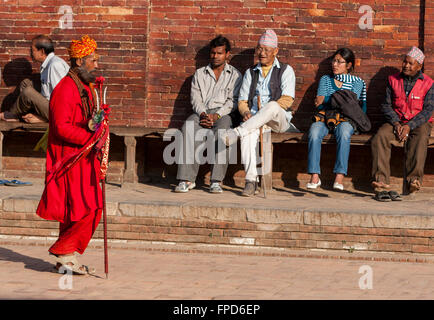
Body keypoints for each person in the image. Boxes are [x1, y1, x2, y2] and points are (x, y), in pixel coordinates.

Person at [36, 35, 104, 274]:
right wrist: (89, 138)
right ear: (80, 61)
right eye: (92, 60)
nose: (96, 64)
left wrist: (99, 120)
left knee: (77, 209)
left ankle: (67, 256)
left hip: (84, 156)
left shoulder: (85, 87)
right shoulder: (65, 88)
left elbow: (85, 122)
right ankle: (64, 250)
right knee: (87, 207)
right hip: (69, 158)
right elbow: (61, 127)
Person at [222, 29, 299, 196]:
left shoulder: (286, 70)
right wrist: (246, 113)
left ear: (275, 51)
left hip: (278, 120)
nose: (261, 53)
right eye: (259, 49)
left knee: (271, 106)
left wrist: (262, 116)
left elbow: (287, 100)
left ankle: (237, 132)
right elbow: (242, 101)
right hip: (255, 120)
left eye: (266, 50)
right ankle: (251, 181)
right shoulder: (250, 73)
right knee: (249, 134)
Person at [174, 35, 242, 193]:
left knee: (224, 132)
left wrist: (216, 116)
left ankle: (216, 181)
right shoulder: (199, 74)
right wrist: (204, 114)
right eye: (213, 53)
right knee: (188, 127)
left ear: (227, 54)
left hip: (223, 115)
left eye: (219, 53)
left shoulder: (235, 75)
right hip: (201, 113)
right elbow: (195, 98)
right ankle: (187, 179)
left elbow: (234, 101)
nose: (215, 56)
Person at [371, 46, 433, 201]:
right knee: (380, 137)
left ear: (419, 66)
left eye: (411, 63)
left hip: (418, 123)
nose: (406, 65)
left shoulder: (428, 83)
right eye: (405, 62)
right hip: (396, 120)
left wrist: (409, 126)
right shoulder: (393, 80)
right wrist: (397, 124)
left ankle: (414, 180)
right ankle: (381, 180)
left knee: (421, 136)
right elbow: (385, 105)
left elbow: (428, 110)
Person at [306, 48, 367, 191]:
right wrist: (339, 99)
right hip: (325, 116)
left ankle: (339, 176)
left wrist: (328, 98)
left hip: (347, 118)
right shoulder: (325, 79)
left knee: (344, 132)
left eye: (340, 62)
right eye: (334, 60)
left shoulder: (357, 82)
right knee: (314, 132)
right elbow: (320, 104)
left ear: (349, 65)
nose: (335, 64)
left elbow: (350, 104)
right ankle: (314, 176)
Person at [0, 35, 69, 123]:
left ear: (42, 51)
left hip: (59, 113)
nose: (31, 53)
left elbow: (62, 99)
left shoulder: (55, 65)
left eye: (32, 50)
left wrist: (42, 118)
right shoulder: (48, 63)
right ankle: (23, 115)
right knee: (26, 83)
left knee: (28, 92)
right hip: (49, 105)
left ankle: (12, 115)